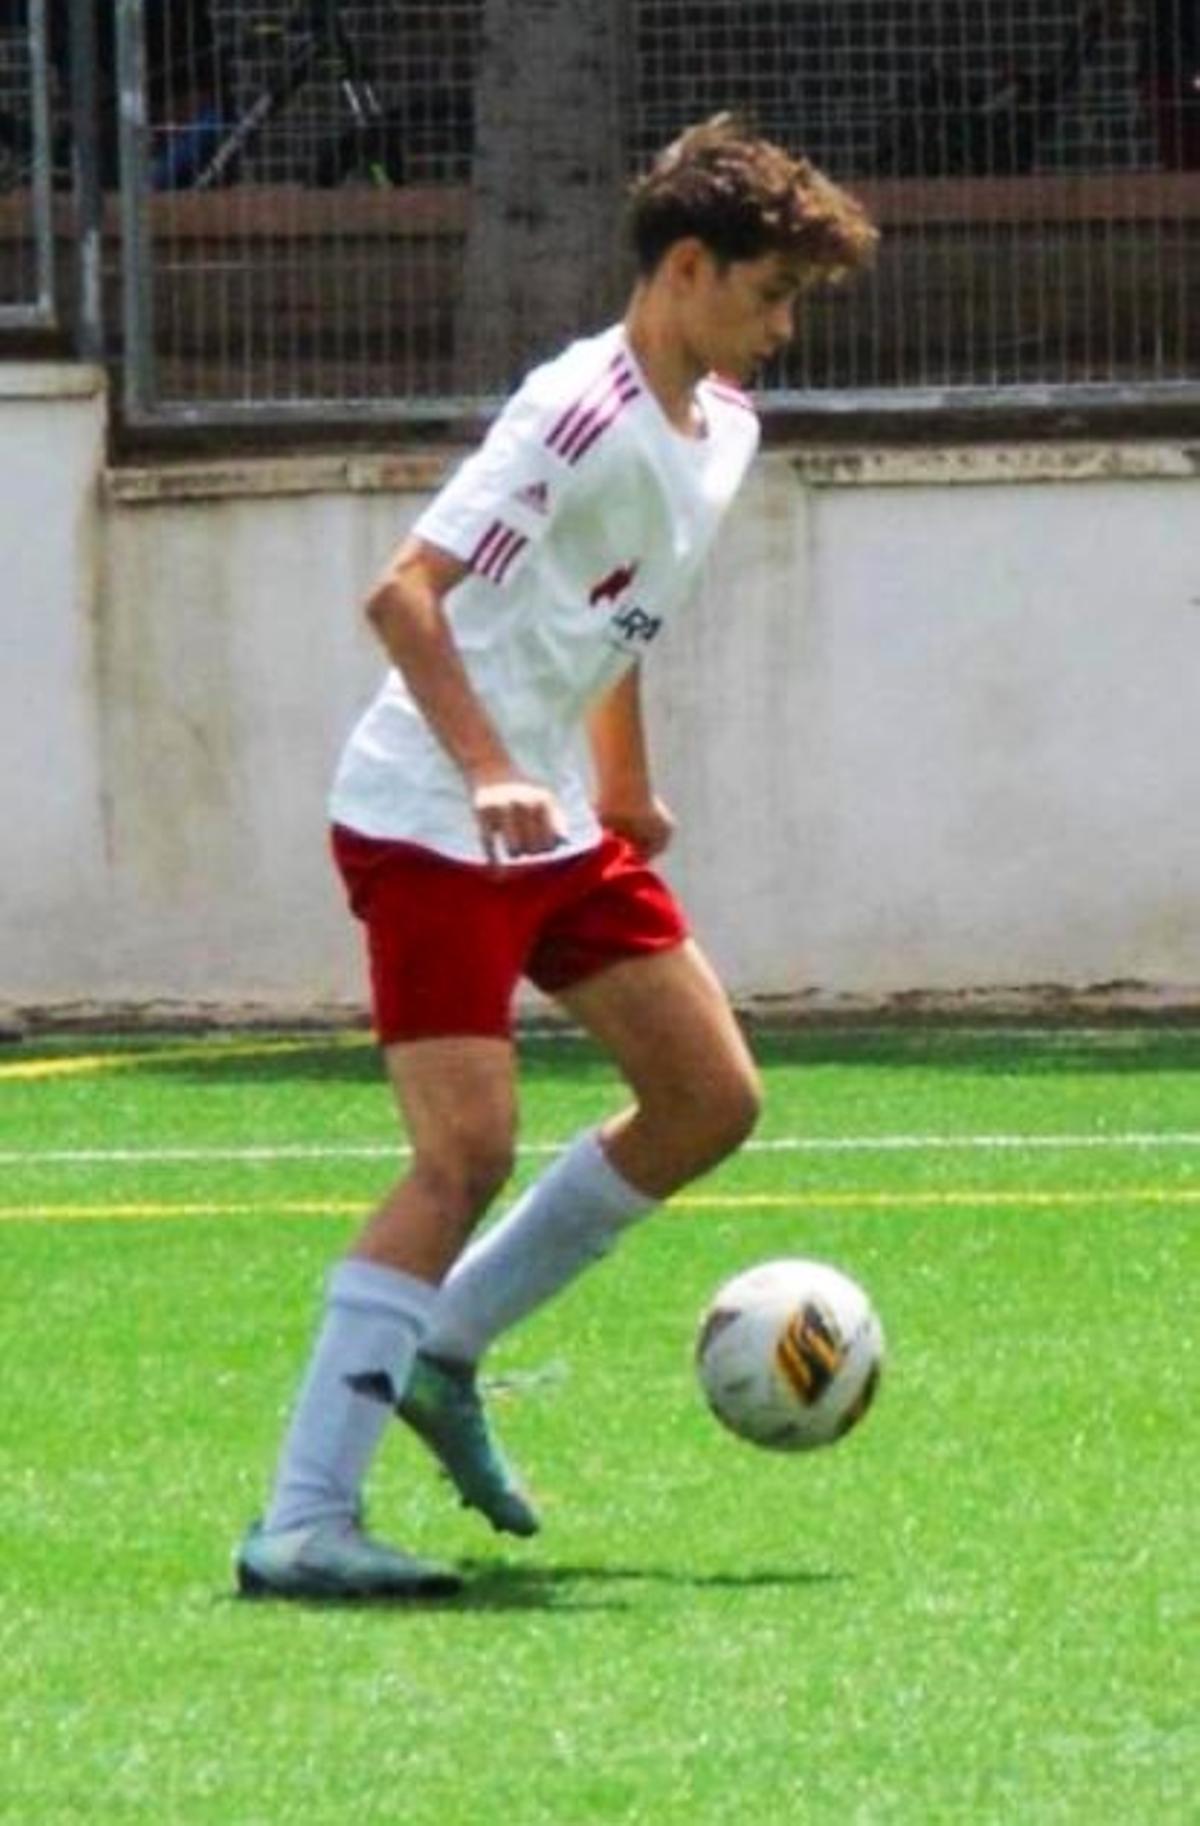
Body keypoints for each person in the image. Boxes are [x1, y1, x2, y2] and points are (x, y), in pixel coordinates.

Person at [236, 113, 878, 1601]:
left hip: (555, 825)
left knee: (709, 1097)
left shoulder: (724, 430)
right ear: (687, 266)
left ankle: (445, 1346)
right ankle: (303, 1521)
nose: (782, 330)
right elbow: (403, 596)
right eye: (771, 294)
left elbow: (612, 614)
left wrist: (619, 784)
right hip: (429, 816)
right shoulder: (574, 409)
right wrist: (489, 770)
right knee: (463, 1151)